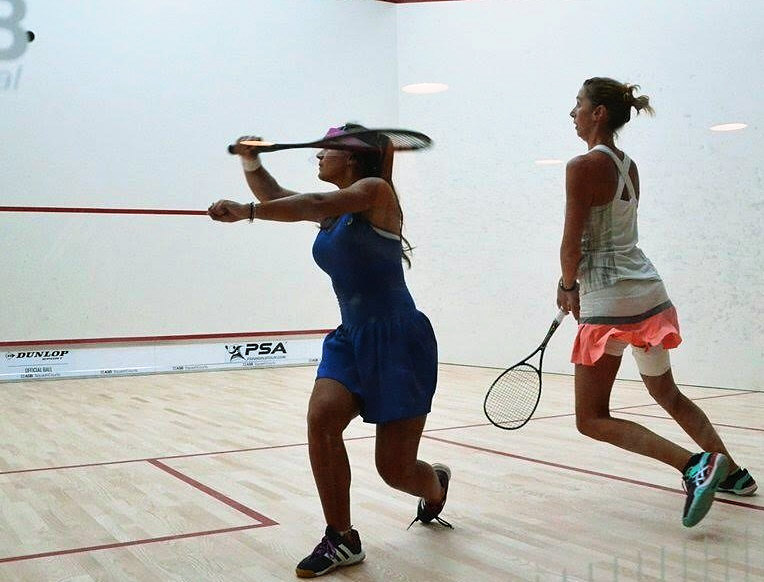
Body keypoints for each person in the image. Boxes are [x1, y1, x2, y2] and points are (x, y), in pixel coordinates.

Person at [208, 124, 452, 578]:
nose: (318, 157)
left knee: (394, 470)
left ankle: (435, 486)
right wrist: (250, 162)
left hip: (399, 342)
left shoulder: (375, 191)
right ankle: (342, 538)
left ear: (352, 157)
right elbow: (281, 196)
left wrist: (249, 212)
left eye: (325, 151)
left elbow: (312, 202)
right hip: (350, 339)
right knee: (321, 419)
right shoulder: (336, 212)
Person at [558, 78, 757, 528]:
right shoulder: (629, 166)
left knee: (590, 418)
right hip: (648, 293)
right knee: (667, 392)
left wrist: (568, 285)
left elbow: (572, 243)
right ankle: (733, 473)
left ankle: (695, 465)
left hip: (609, 301)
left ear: (598, 113)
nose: (572, 113)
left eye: (578, 104)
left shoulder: (581, 166)